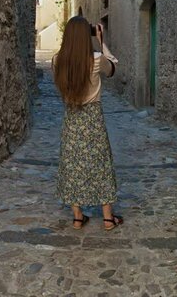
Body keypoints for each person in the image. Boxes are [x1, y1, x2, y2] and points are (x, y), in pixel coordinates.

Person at [52, 16, 123, 231]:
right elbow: (112, 69)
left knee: (71, 163)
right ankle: (108, 218)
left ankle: (77, 216)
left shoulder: (58, 60)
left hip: (72, 117)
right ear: (86, 36)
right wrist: (102, 41)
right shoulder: (96, 59)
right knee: (101, 163)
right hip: (93, 118)